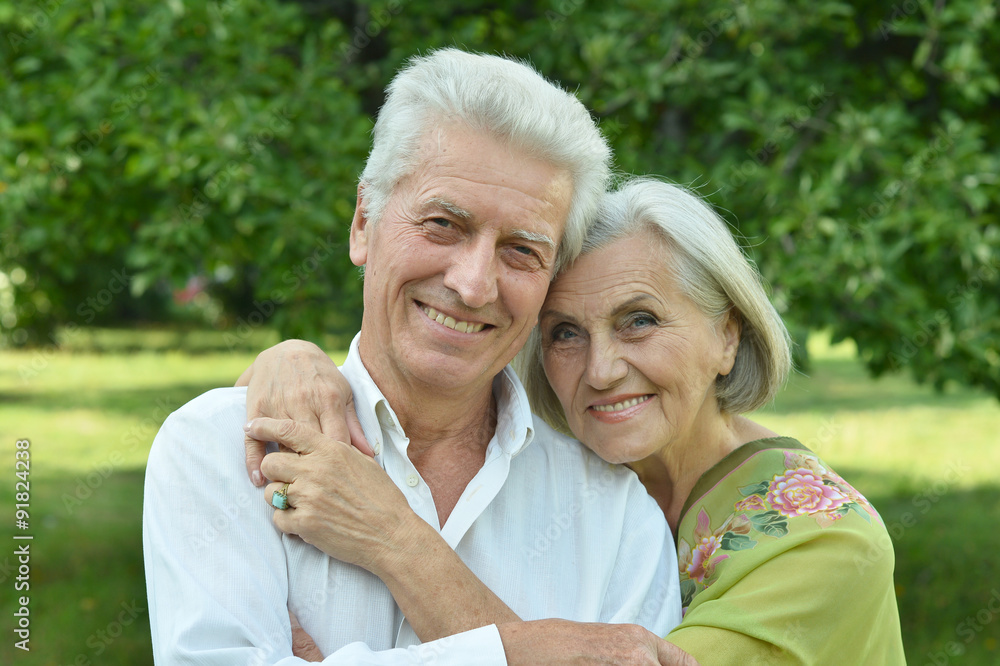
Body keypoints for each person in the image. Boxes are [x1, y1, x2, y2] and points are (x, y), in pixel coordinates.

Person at [143, 49, 686, 665]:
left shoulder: (615, 520)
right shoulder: (216, 448)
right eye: (442, 225)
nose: (474, 283)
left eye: (521, 250)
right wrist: (532, 651)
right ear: (362, 224)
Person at [241, 178, 906, 663]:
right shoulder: (556, 477)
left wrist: (392, 537)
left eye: (639, 321)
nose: (601, 369)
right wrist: (290, 360)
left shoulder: (823, 543)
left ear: (726, 336)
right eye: (564, 333)